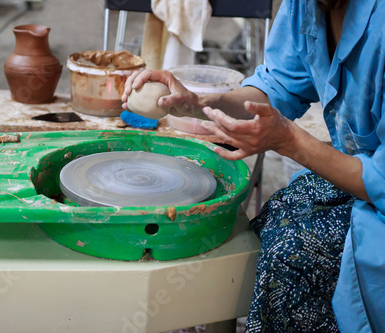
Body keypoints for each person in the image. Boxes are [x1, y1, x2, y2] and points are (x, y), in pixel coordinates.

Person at [121, 0, 385, 331]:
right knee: (275, 216)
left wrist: (290, 142)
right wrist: (198, 104)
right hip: (361, 171)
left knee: (291, 254)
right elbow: (277, 86)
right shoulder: (305, 5)